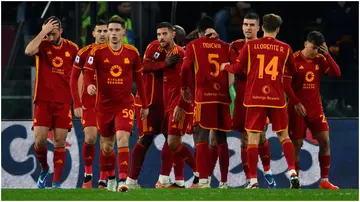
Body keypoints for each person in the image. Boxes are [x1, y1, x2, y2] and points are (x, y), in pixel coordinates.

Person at [220, 13, 300, 189]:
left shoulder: (251, 46)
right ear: (278, 29)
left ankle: (254, 181)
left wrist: (225, 66)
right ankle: (293, 172)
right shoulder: (285, 48)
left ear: (261, 27)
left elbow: (237, 68)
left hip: (255, 98)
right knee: (283, 136)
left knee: (253, 139)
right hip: (276, 98)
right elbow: (293, 70)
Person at [83, 16, 149, 192]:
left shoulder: (132, 53)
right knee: (106, 145)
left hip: (125, 104)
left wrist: (144, 103)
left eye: (116, 30)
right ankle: (110, 177)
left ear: (123, 32)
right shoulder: (97, 52)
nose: (113, 34)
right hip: (103, 106)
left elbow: (140, 80)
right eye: (110, 30)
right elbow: (88, 73)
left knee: (122, 138)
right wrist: (89, 84)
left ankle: (122, 181)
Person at [181, 16, 237, 188]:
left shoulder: (194, 46)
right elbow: (236, 68)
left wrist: (184, 88)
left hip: (203, 97)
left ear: (199, 31)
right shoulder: (226, 47)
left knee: (200, 136)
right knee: (221, 138)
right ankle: (224, 182)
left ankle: (203, 179)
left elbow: (184, 68)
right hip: (222, 97)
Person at [24, 16, 79, 188]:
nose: (51, 37)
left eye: (53, 34)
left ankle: (56, 183)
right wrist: (43, 32)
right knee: (39, 141)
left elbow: (79, 75)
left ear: (61, 31)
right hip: (43, 100)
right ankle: (44, 168)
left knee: (59, 142)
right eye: (49, 34)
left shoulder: (73, 48)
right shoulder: (42, 44)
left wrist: (78, 101)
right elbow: (28, 51)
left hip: (63, 102)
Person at [284, 31, 341, 190]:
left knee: (325, 141)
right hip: (296, 109)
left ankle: (324, 181)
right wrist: (295, 102)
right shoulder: (293, 59)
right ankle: (295, 184)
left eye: (318, 48)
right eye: (313, 47)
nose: (315, 51)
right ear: (305, 44)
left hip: (315, 108)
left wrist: (328, 55)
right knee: (297, 145)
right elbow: (285, 84)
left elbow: (336, 73)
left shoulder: (320, 59)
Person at [228, 12, 275, 188]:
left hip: (259, 94)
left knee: (261, 137)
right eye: (245, 24)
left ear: (259, 28)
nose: (248, 27)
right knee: (244, 137)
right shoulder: (235, 46)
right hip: (241, 94)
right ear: (242, 26)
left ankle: (268, 173)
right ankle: (250, 179)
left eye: (251, 25)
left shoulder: (265, 46)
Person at [153, 22, 197, 189]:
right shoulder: (167, 54)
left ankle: (200, 175)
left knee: (172, 142)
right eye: (158, 35)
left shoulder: (179, 54)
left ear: (172, 35)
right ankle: (177, 181)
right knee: (173, 142)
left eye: (164, 34)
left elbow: (185, 82)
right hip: (168, 104)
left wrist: (179, 104)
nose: (161, 38)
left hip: (179, 104)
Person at [70, 19, 108, 189]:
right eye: (99, 31)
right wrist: (77, 103)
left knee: (107, 143)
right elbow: (73, 78)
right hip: (89, 102)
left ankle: (102, 179)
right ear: (93, 33)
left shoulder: (118, 51)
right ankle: (88, 174)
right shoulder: (84, 52)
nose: (102, 34)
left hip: (109, 103)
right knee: (91, 138)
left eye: (105, 31)